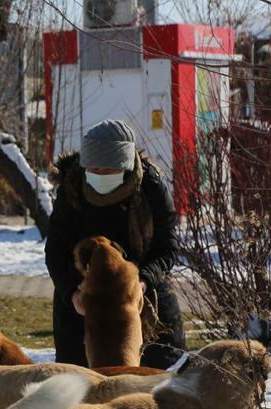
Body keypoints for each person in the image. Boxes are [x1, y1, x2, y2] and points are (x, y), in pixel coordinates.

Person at [44, 119, 185, 370]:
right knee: (79, 378)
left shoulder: (150, 186)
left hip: (143, 295)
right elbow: (55, 252)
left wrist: (142, 282)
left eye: (108, 170)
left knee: (157, 374)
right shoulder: (72, 188)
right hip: (82, 299)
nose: (99, 175)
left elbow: (168, 247)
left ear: (125, 166)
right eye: (94, 169)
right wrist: (72, 294)